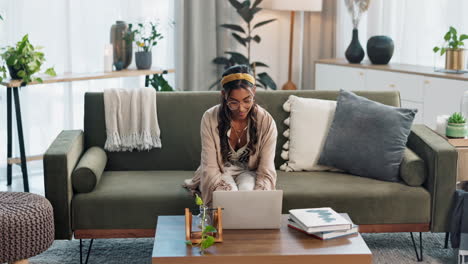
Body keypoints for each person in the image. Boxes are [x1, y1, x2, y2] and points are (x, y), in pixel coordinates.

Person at [184, 65, 278, 205]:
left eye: (247, 100)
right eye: (233, 102)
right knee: (228, 197)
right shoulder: (210, 118)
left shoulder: (266, 121)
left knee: (249, 195)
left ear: (254, 92)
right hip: (220, 171)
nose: (241, 109)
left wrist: (260, 198)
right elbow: (210, 168)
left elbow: (266, 169)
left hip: (250, 171)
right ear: (224, 95)